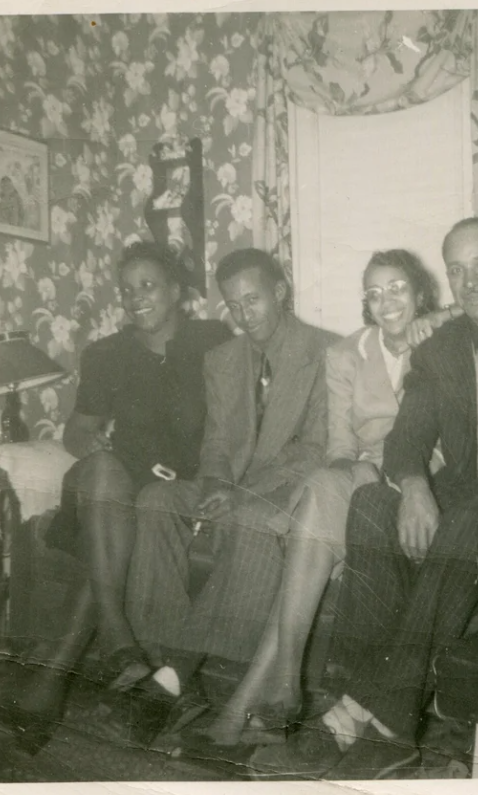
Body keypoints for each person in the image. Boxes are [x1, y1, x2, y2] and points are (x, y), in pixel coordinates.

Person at [249, 217, 478, 780]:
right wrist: (412, 486)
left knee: (461, 527)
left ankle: (374, 715)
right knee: (369, 507)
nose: (470, 280)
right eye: (457, 269)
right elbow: (408, 435)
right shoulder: (440, 346)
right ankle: (371, 702)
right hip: (462, 480)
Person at [187, 249, 456, 752]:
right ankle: (276, 688)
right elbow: (337, 446)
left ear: (421, 292)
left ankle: (259, 695)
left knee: (317, 505)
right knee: (322, 486)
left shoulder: (447, 338)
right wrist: (351, 470)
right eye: (374, 293)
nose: (387, 301)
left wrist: (444, 316)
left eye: (398, 288)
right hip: (362, 472)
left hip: (427, 473)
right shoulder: (347, 354)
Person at [0, 240, 232, 754]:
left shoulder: (213, 340)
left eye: (147, 286)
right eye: (127, 290)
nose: (135, 298)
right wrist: (88, 442)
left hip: (164, 496)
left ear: (177, 290)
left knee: (115, 542)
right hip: (105, 479)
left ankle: (48, 687)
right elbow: (78, 432)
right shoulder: (106, 353)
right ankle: (122, 642)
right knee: (103, 472)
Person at [121, 248, 340, 742]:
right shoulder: (221, 359)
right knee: (155, 500)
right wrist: (217, 485)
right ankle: (167, 662)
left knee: (249, 520)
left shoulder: (327, 351)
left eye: (253, 300)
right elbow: (217, 441)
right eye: (233, 305)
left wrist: (240, 495)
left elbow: (315, 449)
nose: (244, 314)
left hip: (286, 489)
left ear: (280, 293)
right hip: (230, 484)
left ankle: (176, 671)